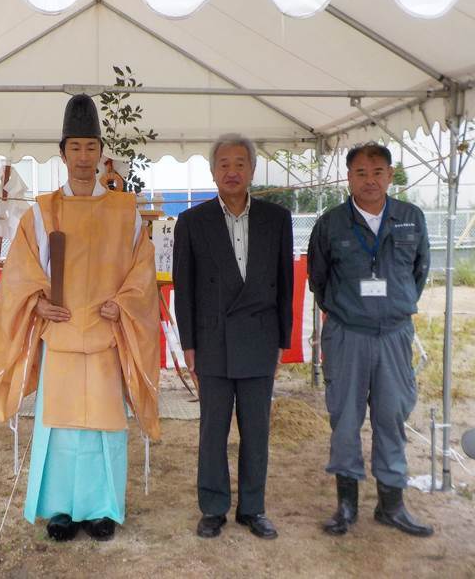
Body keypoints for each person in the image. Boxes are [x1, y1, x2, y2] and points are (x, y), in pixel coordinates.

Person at [0, 94, 160, 542]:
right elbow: (21, 271)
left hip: (105, 335)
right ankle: (60, 509)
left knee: (103, 427)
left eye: (90, 147)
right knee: (58, 427)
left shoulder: (125, 211)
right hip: (59, 334)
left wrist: (124, 301)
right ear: (63, 153)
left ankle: (102, 508)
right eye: (74, 147)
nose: (83, 157)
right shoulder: (42, 210)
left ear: (101, 153)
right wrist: (37, 304)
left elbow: (142, 270)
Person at [308, 142, 433, 537]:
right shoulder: (331, 223)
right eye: (361, 172)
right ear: (349, 177)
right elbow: (319, 280)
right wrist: (348, 311)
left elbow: (420, 271)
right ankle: (346, 506)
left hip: (394, 336)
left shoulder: (411, 218)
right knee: (345, 419)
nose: (370, 180)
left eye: (378, 172)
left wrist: (396, 305)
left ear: (390, 175)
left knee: (391, 416)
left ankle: (391, 505)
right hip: (347, 335)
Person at [173, 133, 293, 540]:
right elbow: (184, 287)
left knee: (256, 430)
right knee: (213, 430)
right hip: (213, 340)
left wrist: (282, 341)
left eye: (240, 163)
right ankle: (213, 507)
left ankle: (253, 508)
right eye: (223, 164)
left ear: (252, 170)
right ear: (212, 171)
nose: (232, 171)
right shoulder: (192, 221)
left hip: (260, 338)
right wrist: (188, 343)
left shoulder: (277, 219)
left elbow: (285, 281)